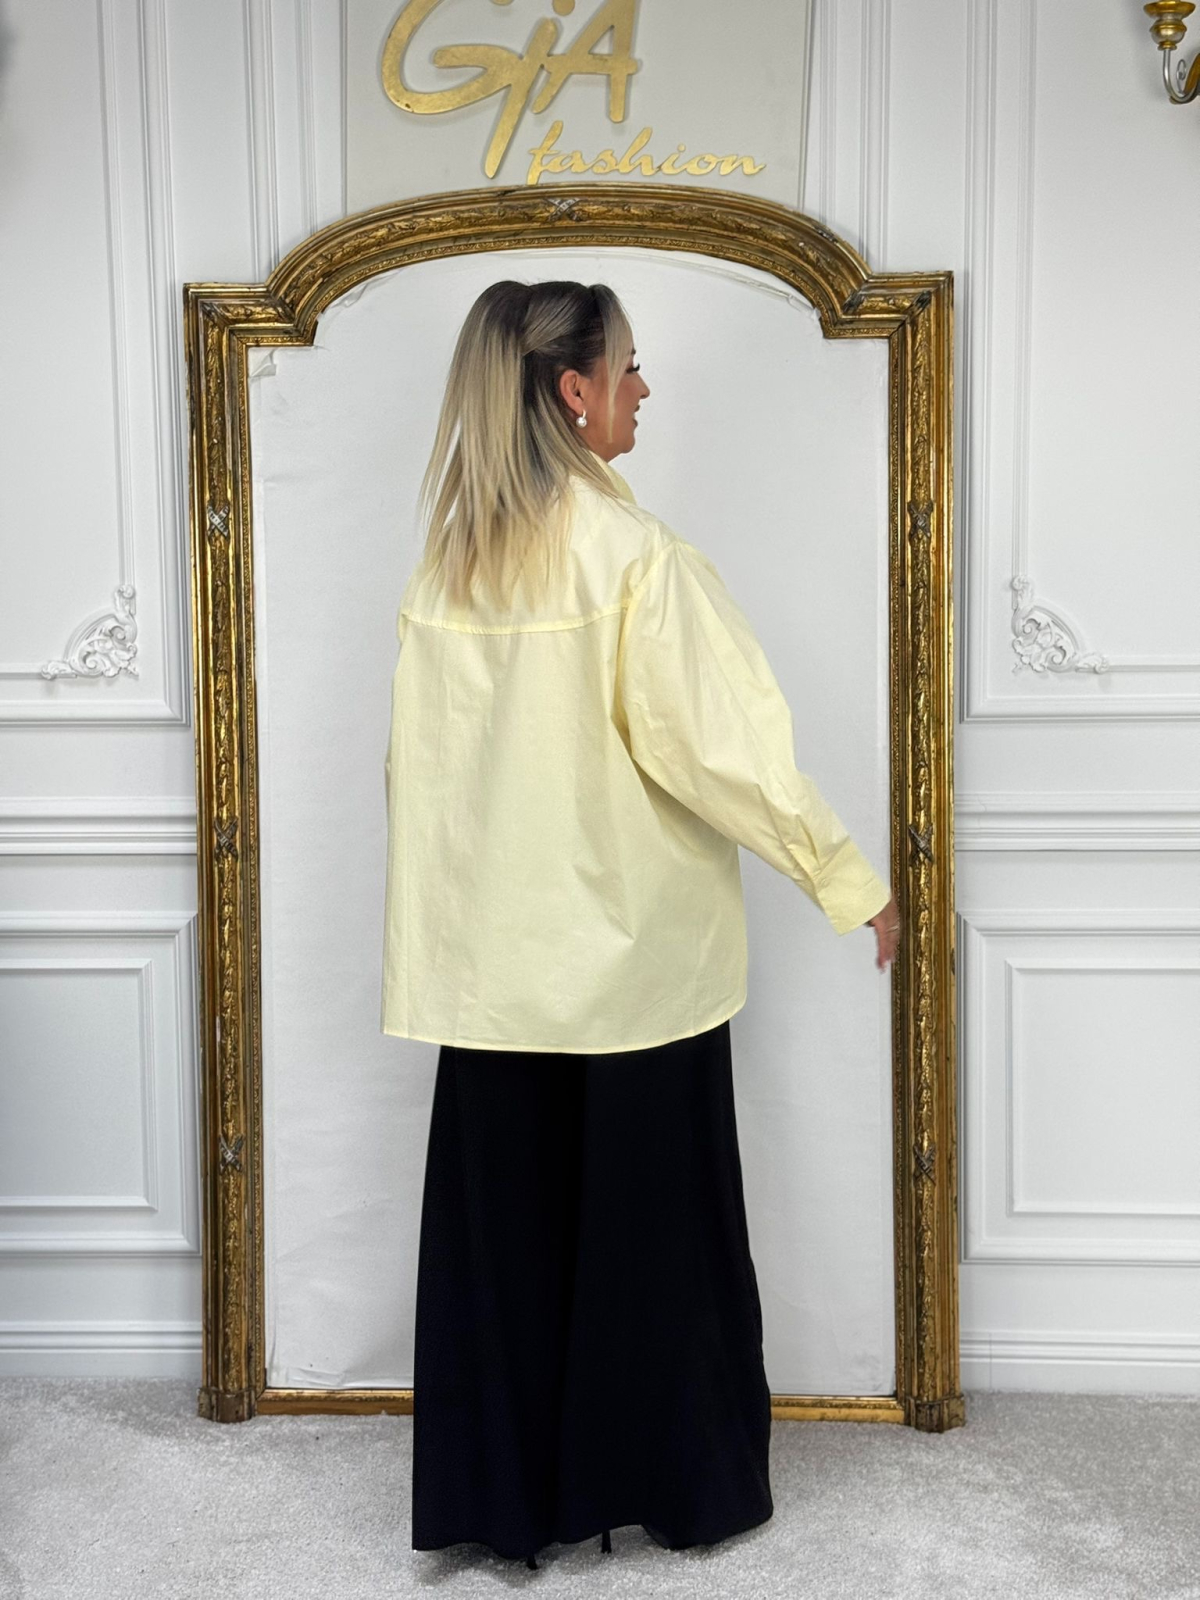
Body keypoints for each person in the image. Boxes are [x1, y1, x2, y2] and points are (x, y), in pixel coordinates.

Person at [381, 279, 900, 1570]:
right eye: (627, 367)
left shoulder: (449, 567)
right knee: (652, 1241)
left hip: (492, 981)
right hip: (633, 976)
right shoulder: (634, 558)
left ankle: (507, 1507)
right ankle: (670, 1486)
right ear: (575, 392)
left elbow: (422, 781)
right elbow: (722, 750)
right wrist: (846, 877)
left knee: (506, 1249)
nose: (643, 389)